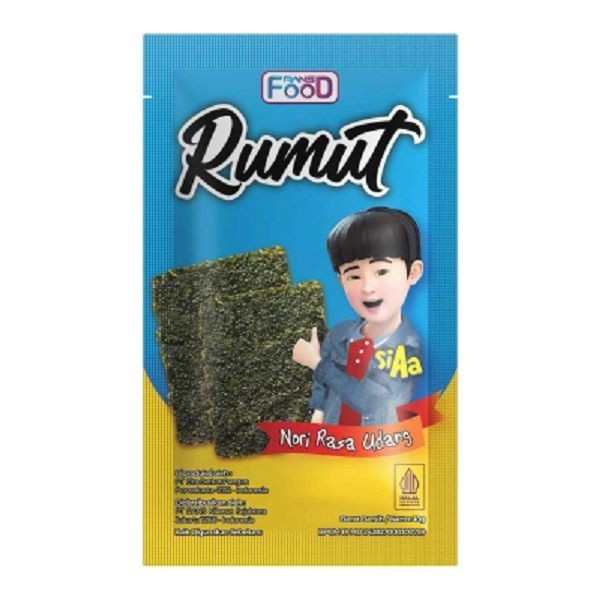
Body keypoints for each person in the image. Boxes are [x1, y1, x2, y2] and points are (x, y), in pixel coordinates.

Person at [293, 206, 424, 426]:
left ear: (413, 272)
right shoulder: (338, 335)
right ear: (340, 280)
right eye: (353, 276)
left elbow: (375, 401)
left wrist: (316, 363)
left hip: (374, 443)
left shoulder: (408, 347)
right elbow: (322, 387)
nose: (367, 288)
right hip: (331, 440)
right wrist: (317, 413)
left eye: (381, 271)